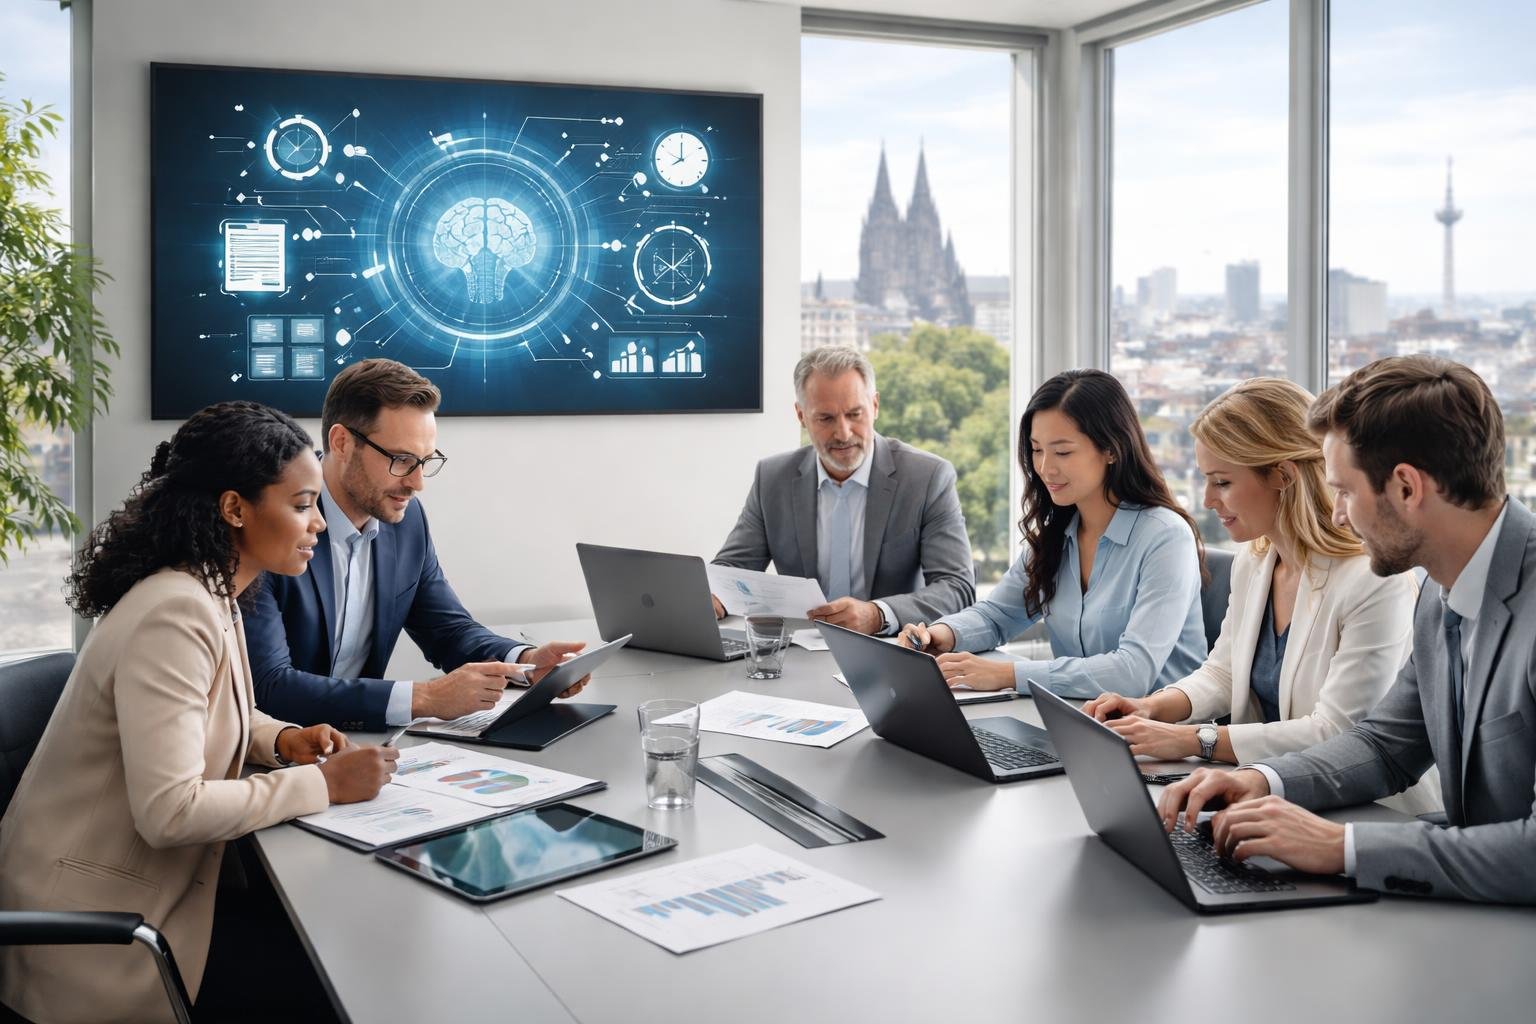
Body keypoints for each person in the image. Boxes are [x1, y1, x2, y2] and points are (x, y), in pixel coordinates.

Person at [0, 402, 397, 1023]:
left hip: (155, 901)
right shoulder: (175, 611)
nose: (319, 523)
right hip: (97, 941)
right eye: (300, 505)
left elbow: (214, 707)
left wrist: (283, 739)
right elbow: (169, 811)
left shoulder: (209, 590)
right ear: (235, 508)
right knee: (333, 985)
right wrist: (319, 783)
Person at [1158, 356, 1536, 905]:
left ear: (1406, 487)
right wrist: (1262, 780)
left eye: (1345, 491)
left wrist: (1343, 847)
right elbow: (1386, 745)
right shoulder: (1440, 588)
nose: (1336, 515)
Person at [1083, 379, 1436, 813]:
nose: (1209, 500)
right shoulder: (1255, 559)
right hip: (1265, 799)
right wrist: (1154, 708)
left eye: (1223, 482)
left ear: (1283, 475)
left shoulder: (1373, 580)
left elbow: (1339, 733)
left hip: (1363, 811)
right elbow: (1223, 673)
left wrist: (1193, 739)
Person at [245, 359, 589, 731]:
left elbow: (448, 630)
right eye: (402, 460)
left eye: (425, 461)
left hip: (360, 746)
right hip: (270, 752)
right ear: (341, 443)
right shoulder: (274, 519)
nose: (417, 483)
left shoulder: (405, 520)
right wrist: (424, 698)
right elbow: (268, 687)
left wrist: (526, 662)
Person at [900, 369, 1207, 697]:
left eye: (1062, 452)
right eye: (1036, 450)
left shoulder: (1166, 537)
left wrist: (1007, 674)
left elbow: (1132, 673)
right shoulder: (1058, 533)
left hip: (1163, 736)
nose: (1045, 468)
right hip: (1082, 722)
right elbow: (999, 615)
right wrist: (942, 634)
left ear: (1112, 450)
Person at [711, 345, 975, 635]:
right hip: (799, 655)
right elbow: (730, 570)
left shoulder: (927, 478)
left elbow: (957, 588)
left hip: (891, 652)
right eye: (826, 418)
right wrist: (713, 595)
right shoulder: (772, 478)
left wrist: (878, 614)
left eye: (854, 414)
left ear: (874, 406)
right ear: (801, 415)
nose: (843, 433)